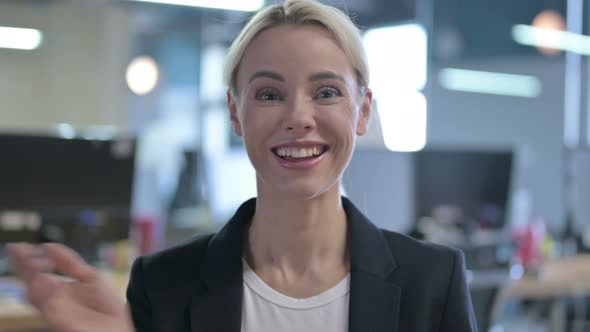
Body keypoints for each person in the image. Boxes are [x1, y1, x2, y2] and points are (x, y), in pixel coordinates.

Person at [7, 0, 478, 331]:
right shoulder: (163, 285)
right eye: (269, 94)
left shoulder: (432, 281)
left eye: (327, 92)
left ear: (362, 112)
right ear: (236, 113)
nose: (298, 117)